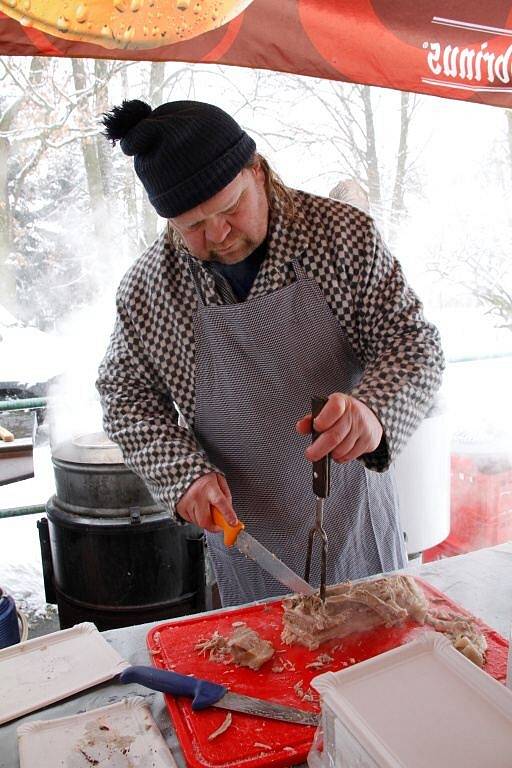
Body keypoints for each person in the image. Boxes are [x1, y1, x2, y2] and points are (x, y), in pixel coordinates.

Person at [97, 98, 444, 607]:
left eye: (230, 208)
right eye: (192, 225)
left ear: (257, 170)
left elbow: (413, 342)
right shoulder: (152, 290)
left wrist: (373, 410)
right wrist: (182, 474)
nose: (218, 235)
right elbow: (125, 398)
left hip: (357, 521)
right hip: (249, 542)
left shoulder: (341, 239)